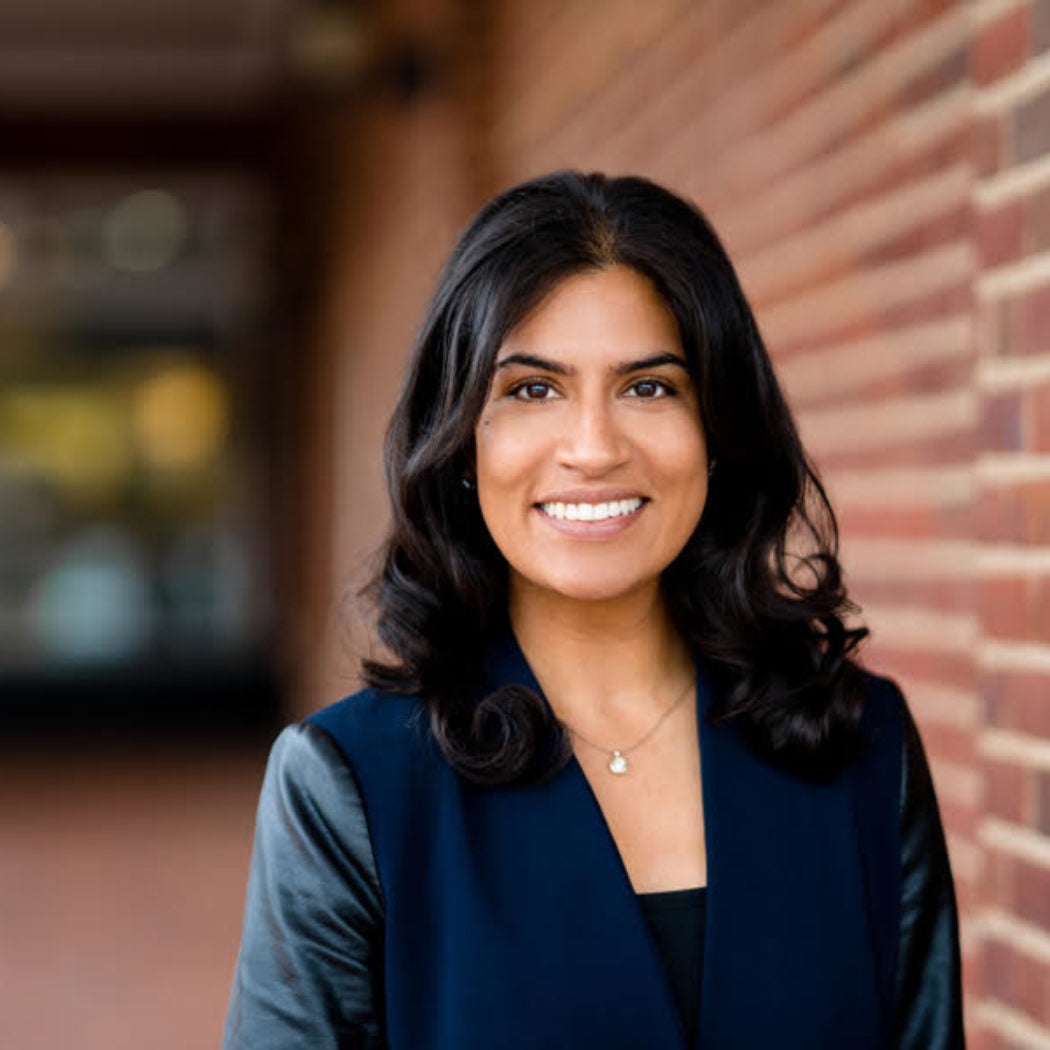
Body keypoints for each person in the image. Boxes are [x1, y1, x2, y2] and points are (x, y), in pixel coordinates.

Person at [222, 171, 965, 1049]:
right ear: (460, 439)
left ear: (718, 430)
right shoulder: (352, 788)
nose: (593, 448)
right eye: (533, 390)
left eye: (648, 387)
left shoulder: (858, 744)